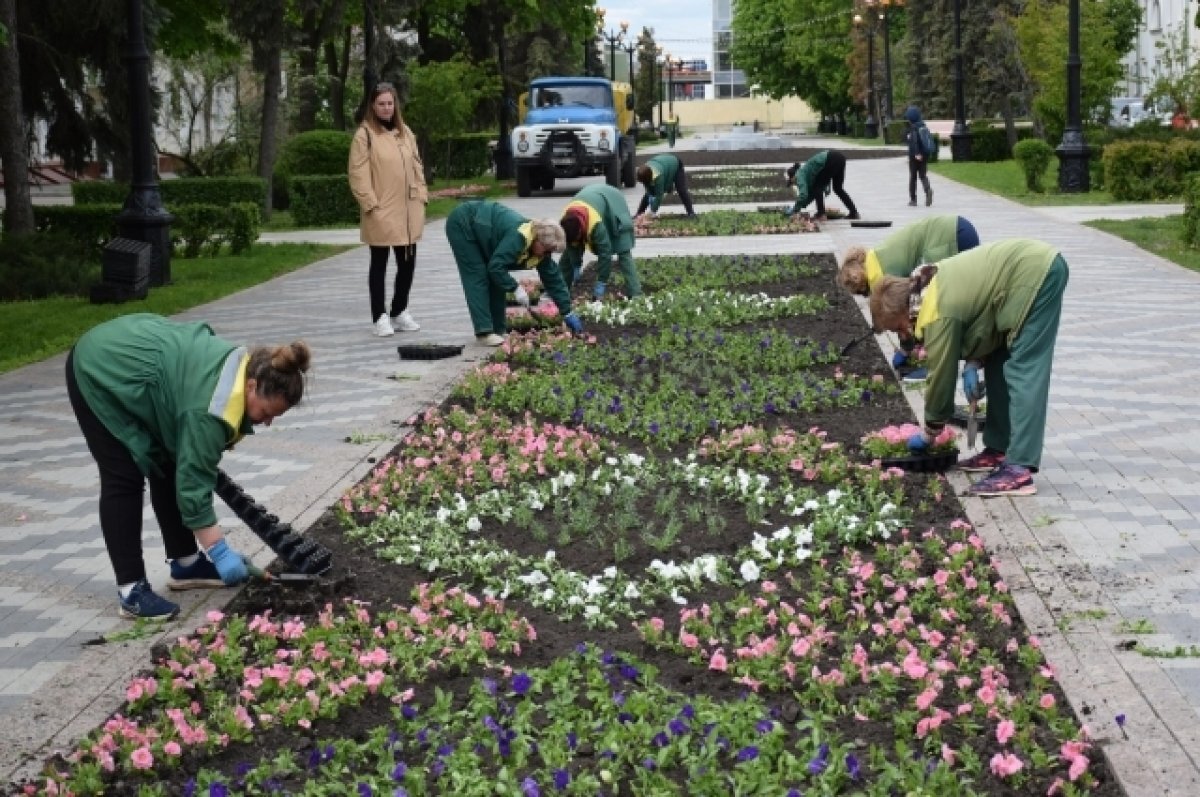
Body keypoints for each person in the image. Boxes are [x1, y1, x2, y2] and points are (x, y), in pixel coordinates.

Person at [66, 314, 312, 619]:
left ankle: (186, 564)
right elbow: (193, 486)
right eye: (266, 412)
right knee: (124, 478)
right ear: (251, 386)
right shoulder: (208, 411)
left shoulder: (243, 369)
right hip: (102, 368)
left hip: (135, 354)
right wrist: (219, 550)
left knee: (169, 464)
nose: (267, 422)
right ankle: (131, 591)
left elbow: (188, 467)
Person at [870, 239, 1069, 497]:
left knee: (1024, 370)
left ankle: (1019, 468)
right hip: (1019, 277)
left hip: (1035, 275)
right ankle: (999, 448)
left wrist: (931, 432)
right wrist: (975, 362)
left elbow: (940, 375)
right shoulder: (926, 285)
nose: (904, 334)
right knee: (998, 362)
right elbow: (982, 315)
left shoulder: (936, 310)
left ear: (905, 312)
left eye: (898, 327)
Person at [840, 214, 981, 370]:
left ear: (859, 282)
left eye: (862, 292)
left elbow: (913, 308)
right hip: (957, 227)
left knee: (941, 305)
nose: (866, 296)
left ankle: (939, 362)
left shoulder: (882, 277)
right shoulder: (875, 259)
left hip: (951, 240)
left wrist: (909, 347)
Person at [348, 81, 428, 338]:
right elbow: (357, 173)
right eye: (381, 103)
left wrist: (422, 194)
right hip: (381, 210)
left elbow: (417, 166)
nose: (386, 108)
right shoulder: (365, 135)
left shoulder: (406, 133)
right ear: (373, 105)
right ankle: (379, 316)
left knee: (408, 264)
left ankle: (399, 310)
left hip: (408, 211)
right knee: (379, 263)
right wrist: (371, 204)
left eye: (390, 103)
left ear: (395, 105)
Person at [446, 200, 584, 346]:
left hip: (485, 233)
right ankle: (484, 332)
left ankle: (498, 330)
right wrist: (516, 288)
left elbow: (554, 279)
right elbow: (496, 267)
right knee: (477, 275)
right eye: (547, 250)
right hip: (465, 223)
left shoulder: (541, 251)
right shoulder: (518, 238)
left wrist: (567, 312)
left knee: (497, 279)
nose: (547, 255)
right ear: (538, 240)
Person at [559, 183, 642, 300]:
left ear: (581, 230)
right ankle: (561, 291)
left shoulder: (594, 223)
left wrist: (601, 281)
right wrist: (575, 264)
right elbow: (572, 245)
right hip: (593, 198)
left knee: (623, 250)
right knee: (567, 256)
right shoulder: (565, 221)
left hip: (613, 201)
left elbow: (605, 253)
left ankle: (635, 292)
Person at [784, 150, 860, 222]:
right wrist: (802, 206)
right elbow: (811, 195)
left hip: (829, 159)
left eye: (791, 182)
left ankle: (821, 214)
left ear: (793, 177)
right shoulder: (806, 174)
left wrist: (795, 209)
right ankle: (854, 213)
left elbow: (804, 195)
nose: (794, 184)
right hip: (839, 158)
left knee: (818, 188)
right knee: (837, 188)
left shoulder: (799, 175)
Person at [634, 154, 697, 219]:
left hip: (675, 164)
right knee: (648, 194)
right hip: (664, 164)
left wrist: (652, 212)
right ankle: (639, 213)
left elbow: (659, 195)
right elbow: (648, 191)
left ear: (649, 178)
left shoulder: (658, 176)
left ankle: (691, 213)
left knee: (681, 190)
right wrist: (650, 194)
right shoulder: (644, 171)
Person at [904, 106, 935, 207]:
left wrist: (917, 153)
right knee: (923, 175)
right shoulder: (923, 126)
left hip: (915, 156)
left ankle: (913, 199)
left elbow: (915, 141)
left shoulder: (913, 128)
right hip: (924, 155)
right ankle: (928, 190)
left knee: (913, 177)